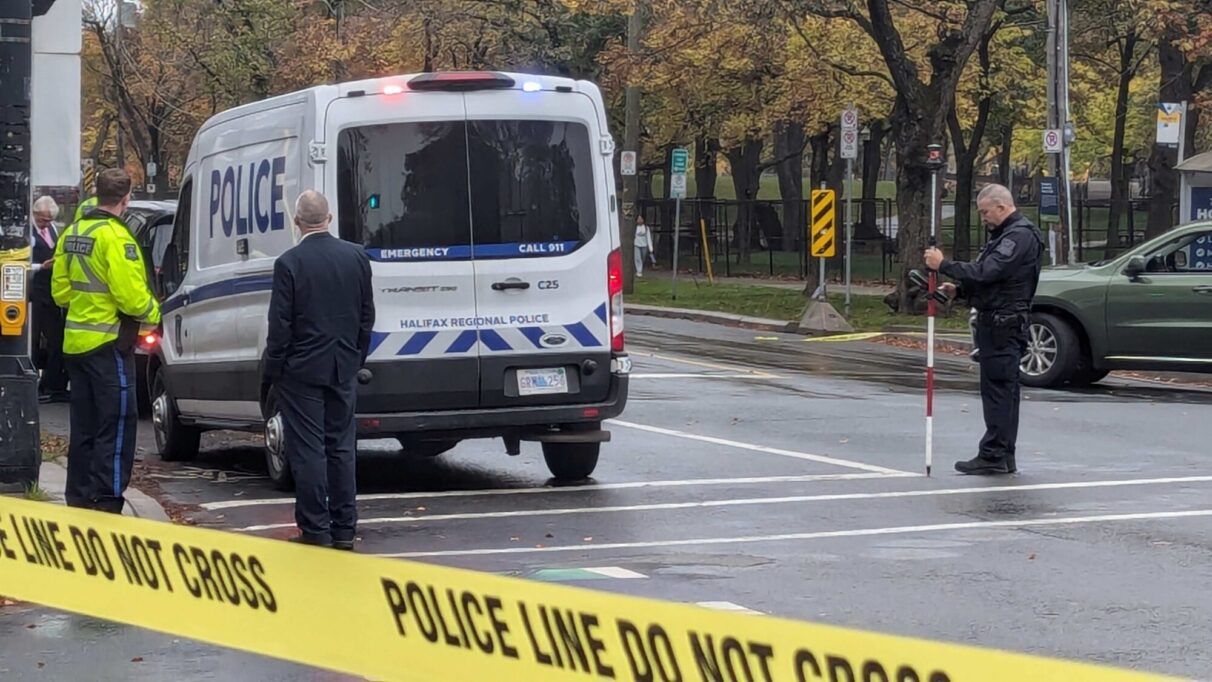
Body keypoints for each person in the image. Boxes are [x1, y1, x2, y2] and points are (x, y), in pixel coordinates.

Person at [263, 191, 374, 550]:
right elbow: (366, 314)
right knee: (342, 446)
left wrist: (275, 368)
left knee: (308, 449)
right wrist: (356, 356)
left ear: (297, 222)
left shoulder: (289, 264)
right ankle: (345, 526)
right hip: (343, 365)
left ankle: (315, 527)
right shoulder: (356, 257)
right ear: (330, 217)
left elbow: (279, 326)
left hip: (301, 369)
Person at [51, 169, 160, 513]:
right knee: (115, 424)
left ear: (96, 194)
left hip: (76, 343)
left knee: (83, 424)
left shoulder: (73, 232)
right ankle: (107, 498)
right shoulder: (117, 238)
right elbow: (131, 298)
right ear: (126, 199)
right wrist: (155, 312)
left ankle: (79, 495)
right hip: (109, 344)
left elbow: (60, 292)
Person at [924, 183, 1043, 476]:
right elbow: (994, 281)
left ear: (1001, 207)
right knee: (1001, 391)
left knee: (999, 392)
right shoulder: (1007, 235)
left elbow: (991, 271)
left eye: (985, 212)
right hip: (1000, 319)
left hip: (1004, 323)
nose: (984, 218)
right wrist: (960, 290)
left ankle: (995, 454)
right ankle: (1001, 453)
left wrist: (945, 265)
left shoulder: (1018, 236)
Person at [30, 196, 69, 403]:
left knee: (56, 339)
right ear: (35, 214)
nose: (46, 223)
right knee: (34, 339)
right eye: (43, 220)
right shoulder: (27, 232)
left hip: (52, 291)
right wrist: (40, 267)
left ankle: (53, 384)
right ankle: (33, 383)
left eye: (49, 220)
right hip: (34, 291)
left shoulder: (54, 230)